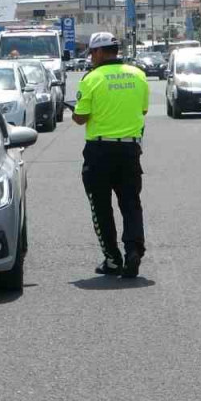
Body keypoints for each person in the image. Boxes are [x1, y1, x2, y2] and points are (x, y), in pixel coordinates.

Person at [73, 32, 149, 278]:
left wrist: (76, 112)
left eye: (92, 53)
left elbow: (80, 117)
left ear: (98, 52)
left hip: (99, 152)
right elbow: (143, 109)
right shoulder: (139, 75)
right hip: (130, 150)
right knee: (130, 203)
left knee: (101, 207)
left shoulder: (91, 79)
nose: (91, 58)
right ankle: (133, 249)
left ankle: (113, 259)